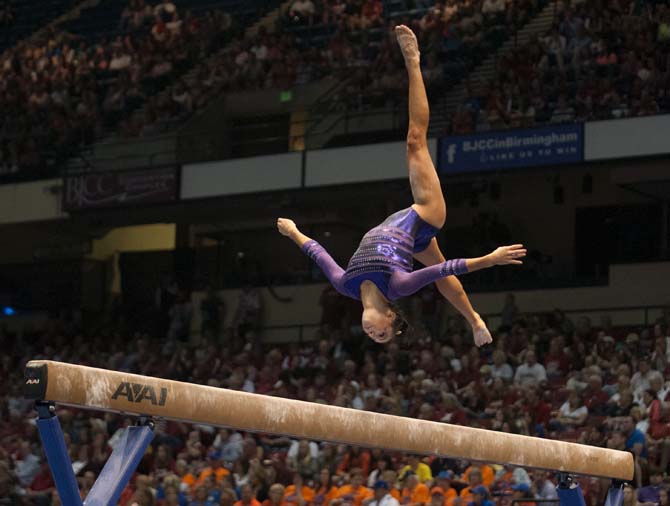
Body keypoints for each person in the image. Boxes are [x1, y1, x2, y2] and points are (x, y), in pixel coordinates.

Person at [277, 25, 526, 346]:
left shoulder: (345, 285)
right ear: (391, 316)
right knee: (414, 142)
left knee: (442, 275)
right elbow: (444, 270)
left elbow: (318, 253)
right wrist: (489, 259)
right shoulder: (398, 285)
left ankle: (474, 317)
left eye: (374, 337)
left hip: (412, 240)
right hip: (423, 217)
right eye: (383, 332)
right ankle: (413, 62)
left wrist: (294, 231)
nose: (374, 333)